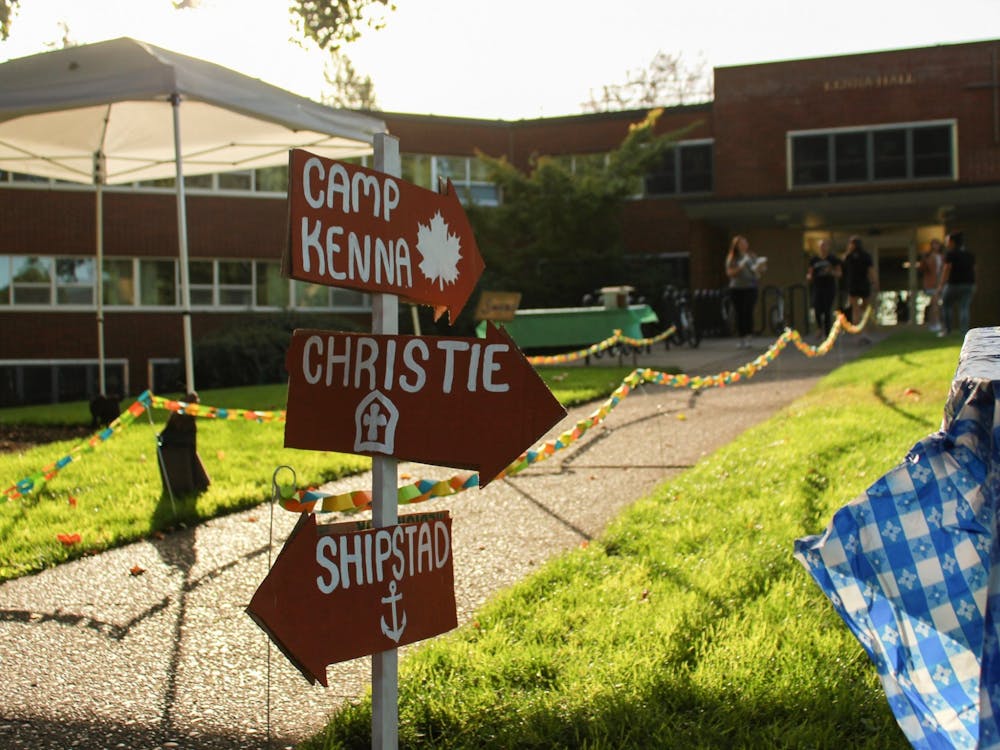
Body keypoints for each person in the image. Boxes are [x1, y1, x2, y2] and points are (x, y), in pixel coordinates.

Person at [157, 392, 211, 495]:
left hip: (178, 446)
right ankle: (187, 489)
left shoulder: (180, 419)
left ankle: (196, 485)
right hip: (174, 449)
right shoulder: (181, 419)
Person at [933, 230, 976, 337]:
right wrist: (975, 284)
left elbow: (946, 269)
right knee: (964, 308)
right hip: (968, 284)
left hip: (953, 284)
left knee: (946, 305)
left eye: (947, 241)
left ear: (952, 242)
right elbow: (974, 270)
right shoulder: (969, 255)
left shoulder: (950, 254)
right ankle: (964, 332)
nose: (946, 243)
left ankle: (947, 331)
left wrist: (941, 285)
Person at [725, 234, 764, 348]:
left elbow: (758, 272)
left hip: (750, 288)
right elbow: (730, 273)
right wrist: (740, 267)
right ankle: (741, 337)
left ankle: (748, 336)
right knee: (739, 313)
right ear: (736, 246)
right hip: (736, 289)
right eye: (741, 243)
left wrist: (760, 267)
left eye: (745, 243)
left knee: (748, 311)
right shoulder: (732, 258)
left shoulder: (751, 256)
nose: (744, 245)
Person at [806, 238, 842, 339]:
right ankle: (819, 329)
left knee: (827, 310)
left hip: (829, 288)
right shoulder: (814, 260)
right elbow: (810, 273)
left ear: (828, 247)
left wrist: (831, 272)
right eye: (821, 246)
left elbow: (839, 273)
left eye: (824, 246)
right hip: (817, 287)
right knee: (817, 309)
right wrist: (809, 277)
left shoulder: (832, 259)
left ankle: (827, 333)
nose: (822, 248)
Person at [841, 235, 878, 329]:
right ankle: (858, 329)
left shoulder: (865, 256)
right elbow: (843, 262)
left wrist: (874, 281)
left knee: (862, 307)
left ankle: (860, 326)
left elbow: (870, 270)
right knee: (856, 308)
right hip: (854, 284)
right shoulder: (849, 256)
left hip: (862, 283)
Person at [917, 238, 943, 332]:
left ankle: (933, 323)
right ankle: (935, 324)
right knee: (935, 304)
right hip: (931, 284)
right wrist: (923, 258)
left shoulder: (941, 256)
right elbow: (923, 269)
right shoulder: (929, 257)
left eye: (937, 244)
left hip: (939, 284)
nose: (936, 246)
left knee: (934, 305)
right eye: (934, 244)